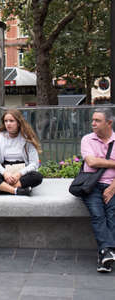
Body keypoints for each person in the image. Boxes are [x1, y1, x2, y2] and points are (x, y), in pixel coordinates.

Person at [80, 108, 115, 273]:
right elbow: (92, 162)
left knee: (112, 215)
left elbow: (96, 161)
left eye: (97, 120)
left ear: (109, 123)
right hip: (91, 185)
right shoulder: (87, 139)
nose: (93, 123)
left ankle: (105, 254)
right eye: (92, 120)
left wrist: (113, 187)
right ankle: (108, 251)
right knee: (97, 214)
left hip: (113, 185)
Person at [0, 109, 42, 196]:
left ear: (19, 122)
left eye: (11, 121)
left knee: (37, 177)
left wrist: (19, 174)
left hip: (22, 172)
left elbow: (34, 163)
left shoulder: (27, 137)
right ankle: (17, 190)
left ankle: (2, 189)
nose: (8, 124)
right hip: (5, 172)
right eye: (6, 121)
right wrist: (5, 174)